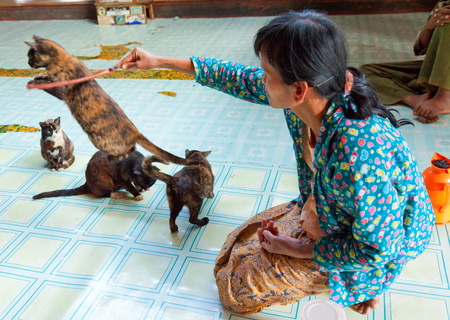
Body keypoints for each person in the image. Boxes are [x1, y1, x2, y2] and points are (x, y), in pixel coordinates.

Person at [117, 10, 435, 316]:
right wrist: (157, 61)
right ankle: (329, 251)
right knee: (236, 249)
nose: (261, 80)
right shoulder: (318, 95)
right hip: (334, 212)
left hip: (379, 245)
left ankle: (367, 286)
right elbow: (238, 78)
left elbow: (379, 247)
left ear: (299, 90)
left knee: (235, 289)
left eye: (267, 75)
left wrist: (298, 249)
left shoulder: (361, 156)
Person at [360, 1, 450, 123]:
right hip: (438, 72)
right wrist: (429, 26)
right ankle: (416, 100)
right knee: (365, 74)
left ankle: (445, 97)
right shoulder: (444, 5)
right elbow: (421, 48)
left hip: (444, 82)